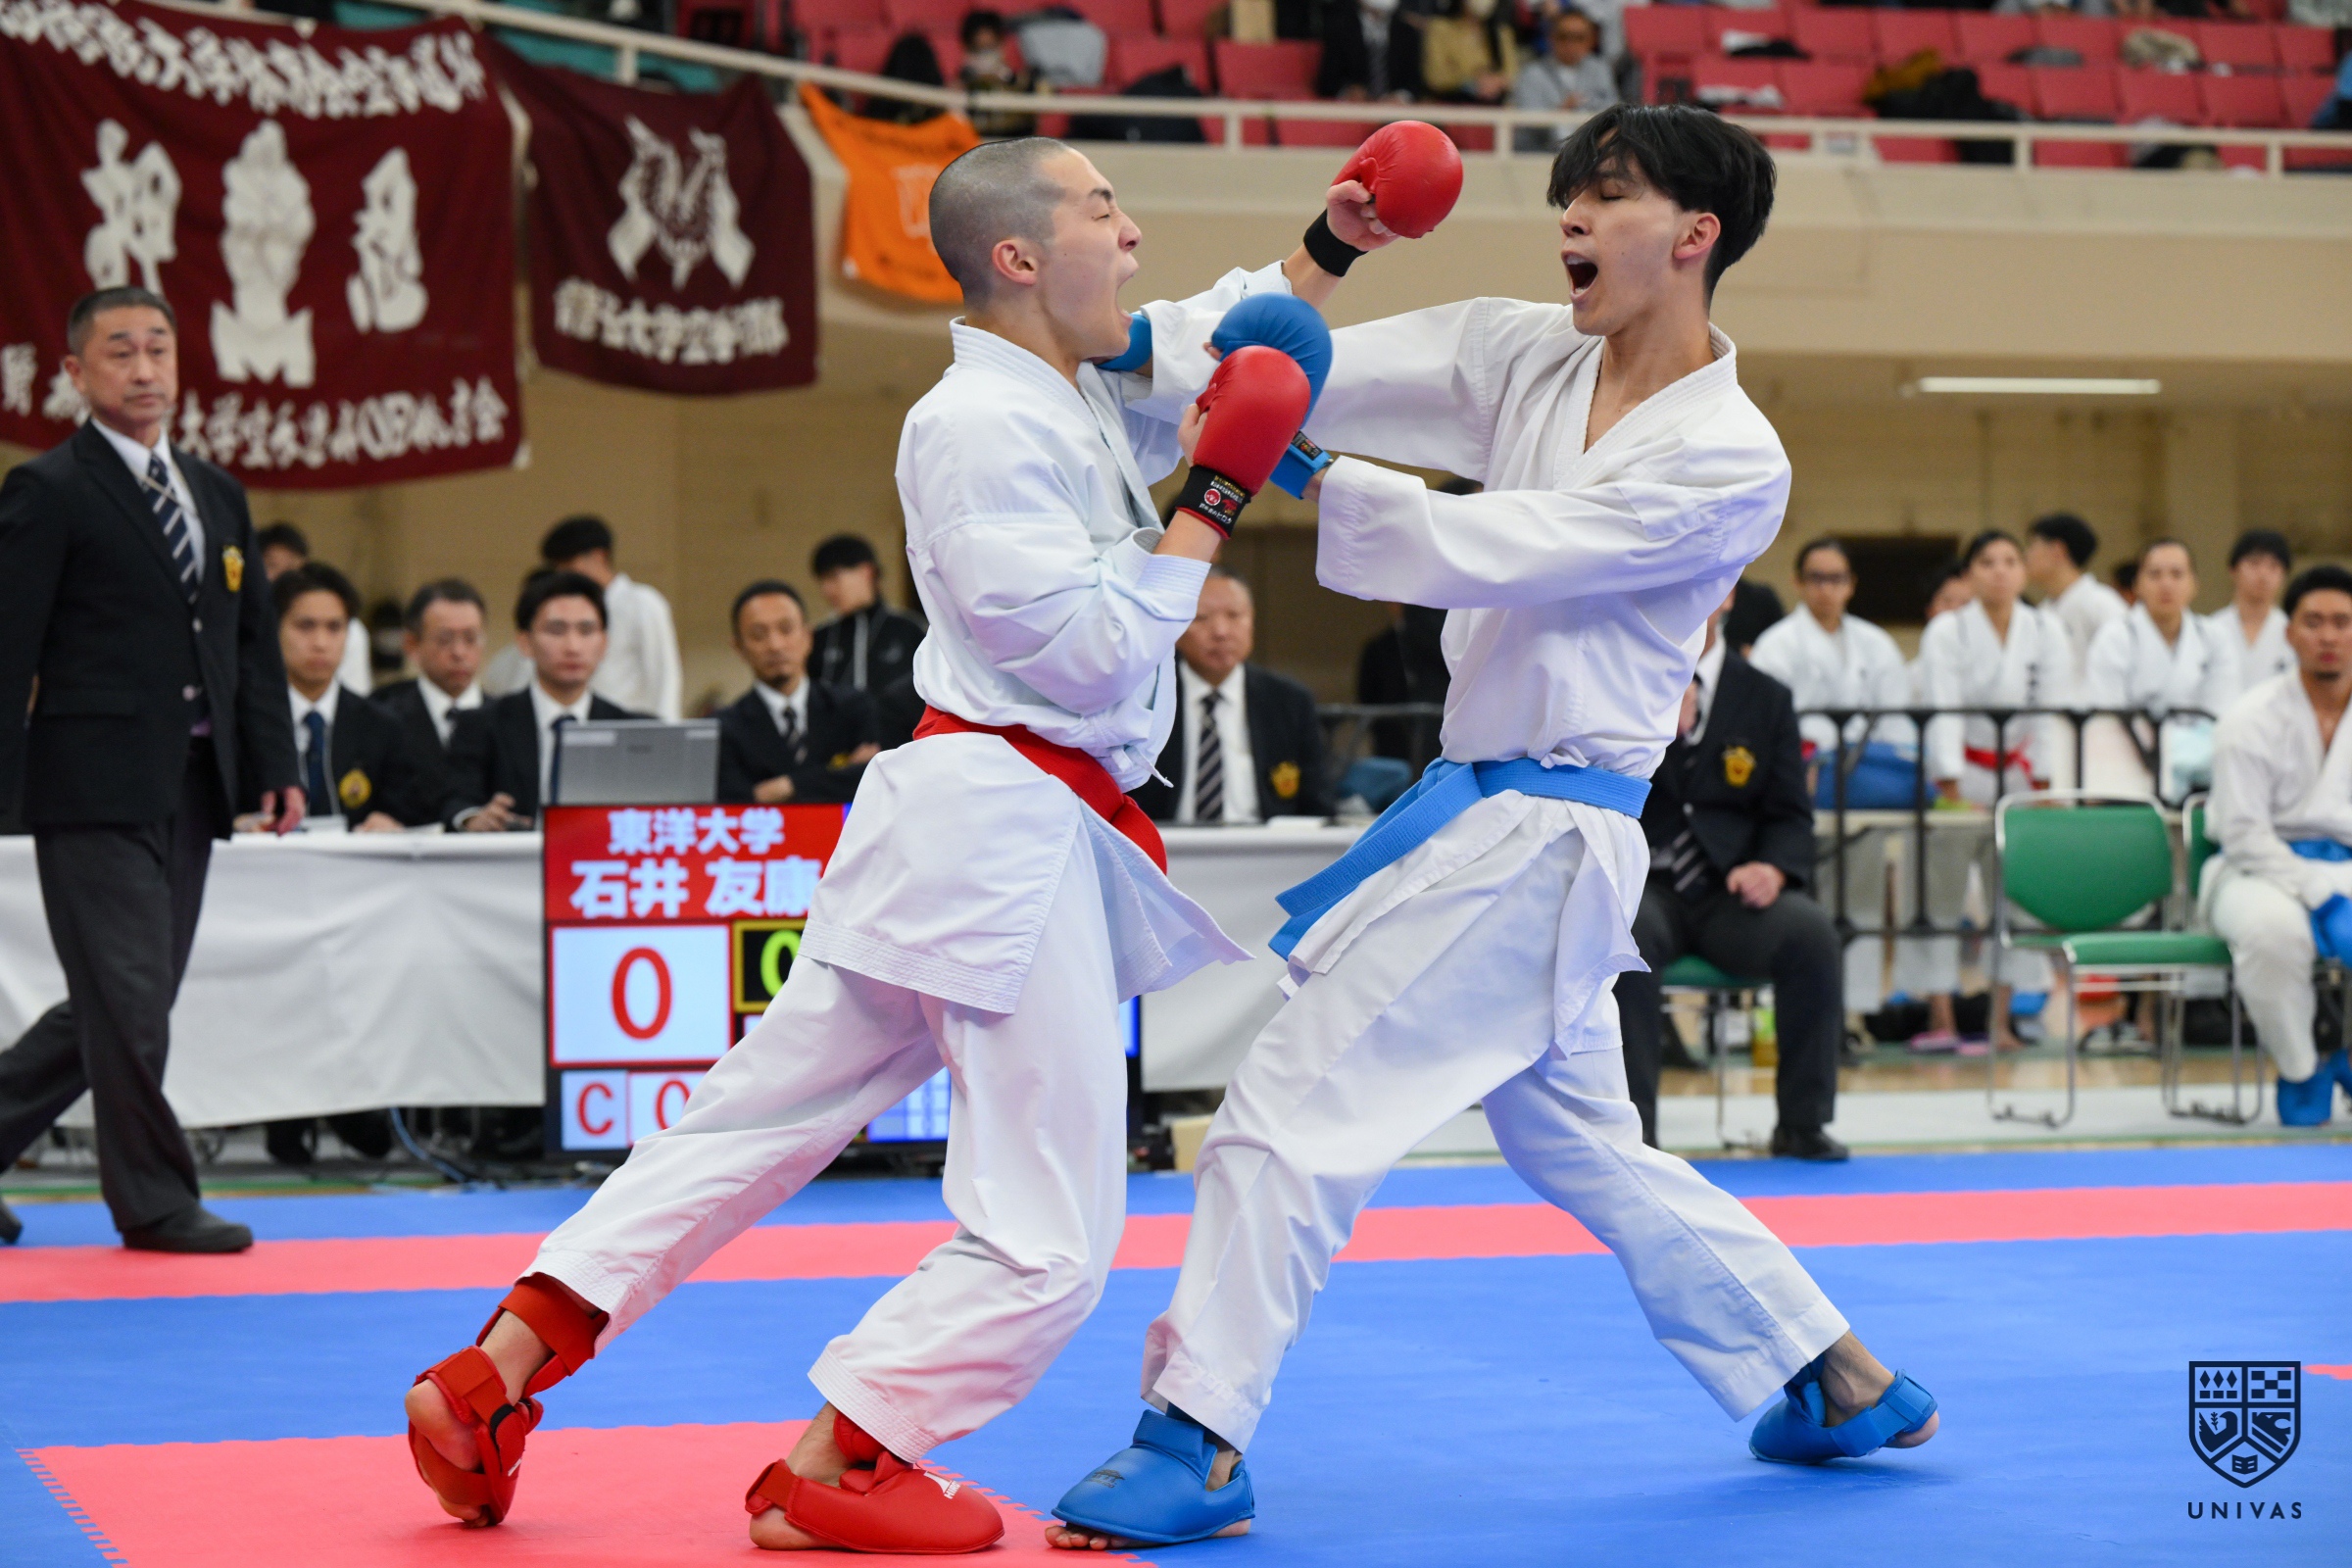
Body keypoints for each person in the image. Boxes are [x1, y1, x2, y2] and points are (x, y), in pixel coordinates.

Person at [401, 133, 1364, 1550]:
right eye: (1106, 208)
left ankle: (496, 1372)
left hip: (964, 827)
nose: (1134, 235)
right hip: (1006, 837)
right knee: (1049, 1231)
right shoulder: (977, 427)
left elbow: (1217, 342)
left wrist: (1332, 245)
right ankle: (847, 1456)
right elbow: (1094, 655)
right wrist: (1212, 503)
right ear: (1019, 255)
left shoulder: (1074, 393)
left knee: (752, 1122)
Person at [1051, 105, 1936, 1555]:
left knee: (1287, 1110)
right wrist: (1144, 343)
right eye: (1567, 195)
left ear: (1696, 234)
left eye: (1608, 195)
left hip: (1547, 832)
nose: (1570, 219)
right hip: (1498, 817)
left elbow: (1517, 550)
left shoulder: (1732, 456)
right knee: (1582, 1144)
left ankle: (1195, 1437)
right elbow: (1314, 368)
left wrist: (1297, 472)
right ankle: (1834, 1372)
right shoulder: (1528, 352)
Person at [0, 285, 304, 1254]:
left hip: (194, 780)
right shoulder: (49, 490)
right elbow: (8, 649)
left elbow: (249, 646)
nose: (144, 369)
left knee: (122, 1002)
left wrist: (276, 762)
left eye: (159, 349)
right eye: (120, 351)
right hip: (87, 783)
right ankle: (155, 1201)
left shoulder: (217, 494)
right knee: (128, 1002)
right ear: (75, 373)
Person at [1616, 596, 1846, 1159]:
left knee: (1812, 935)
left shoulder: (1766, 696)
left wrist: (1774, 867)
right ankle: (1633, 1136)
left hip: (1730, 892)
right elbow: (1597, 785)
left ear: (1728, 595)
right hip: (1649, 881)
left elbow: (1790, 814)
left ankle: (1802, 1123)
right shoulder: (1623, 682)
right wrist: (1657, 735)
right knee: (1624, 934)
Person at [1908, 529, 2071, 1054]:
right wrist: (1950, 784)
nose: (1999, 571)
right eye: (1986, 562)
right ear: (1970, 574)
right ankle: (1942, 1018)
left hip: (2021, 775)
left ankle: (2001, 1021)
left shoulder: (2045, 629)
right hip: (1963, 772)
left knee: (2015, 900)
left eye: (2009, 561)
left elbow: (2049, 711)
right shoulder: (1948, 632)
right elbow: (1941, 705)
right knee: (1940, 896)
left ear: (2023, 572)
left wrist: (2044, 783)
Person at [2204, 564, 2352, 1126]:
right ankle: (2301, 1068)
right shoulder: (2249, 718)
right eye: (2314, 622)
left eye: (2343, 622)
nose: (2329, 636)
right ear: (2289, 633)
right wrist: (2318, 893)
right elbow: (2243, 834)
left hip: (2346, 864)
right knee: (2272, 935)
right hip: (2257, 870)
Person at [443, 571, 640, 831]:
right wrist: (473, 819)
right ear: (525, 642)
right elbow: (455, 801)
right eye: (556, 630)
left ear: (604, 643)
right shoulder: (481, 725)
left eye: (586, 630)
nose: (573, 646)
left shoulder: (632, 730)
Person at [1134, 568, 1333, 824]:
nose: (1220, 631)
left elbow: (1318, 804)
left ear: (1252, 621)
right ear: (1175, 627)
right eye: (1201, 617)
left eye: (1234, 615)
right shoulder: (1146, 697)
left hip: (1265, 844)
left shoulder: (1289, 701)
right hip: (1165, 841)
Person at [1748, 536, 1914, 805]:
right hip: (1802, 771)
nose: (1826, 589)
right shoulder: (1774, 645)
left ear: (1851, 584)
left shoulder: (1877, 642)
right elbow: (1763, 724)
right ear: (1797, 582)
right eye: (1816, 578)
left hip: (1872, 769)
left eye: (1836, 579)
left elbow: (1897, 722)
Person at [269, 563, 425, 834]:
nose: (321, 643)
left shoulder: (382, 726)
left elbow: (408, 812)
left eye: (334, 627)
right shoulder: (246, 722)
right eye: (305, 626)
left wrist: (391, 825)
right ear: (275, 629)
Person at [2080, 538, 2237, 797]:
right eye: (2154, 574)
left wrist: (2181, 751)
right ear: (2138, 585)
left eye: (2177, 574)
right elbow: (2109, 715)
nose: (2166, 584)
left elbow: (2219, 714)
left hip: (2203, 774)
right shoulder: (2114, 638)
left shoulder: (2215, 638)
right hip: (2129, 768)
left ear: (2194, 584)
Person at [715, 579, 880, 807]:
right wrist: (835, 775)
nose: (775, 645)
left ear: (808, 637)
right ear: (739, 648)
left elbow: (875, 778)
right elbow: (733, 801)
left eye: (786, 629)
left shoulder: (853, 707)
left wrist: (787, 786)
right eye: (758, 634)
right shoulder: (723, 728)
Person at [539, 515, 682, 721]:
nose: (563, 573)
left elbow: (664, 674)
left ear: (599, 556)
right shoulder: (571, 609)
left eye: (569, 563)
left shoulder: (642, 602)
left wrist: (666, 730)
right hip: (583, 723)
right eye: (558, 567)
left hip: (632, 725)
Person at [374, 579, 488, 822]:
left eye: (470, 638)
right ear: (412, 645)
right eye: (445, 639)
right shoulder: (380, 714)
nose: (459, 652)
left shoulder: (507, 719)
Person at [257, 517, 372, 693]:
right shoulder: (247, 625)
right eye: (272, 565)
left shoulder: (353, 630)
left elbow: (356, 690)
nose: (320, 643)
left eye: (290, 566)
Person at [810, 533, 927, 697]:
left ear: (867, 572)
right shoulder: (820, 638)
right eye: (822, 581)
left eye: (833, 577)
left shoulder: (909, 629)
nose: (827, 590)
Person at [2025, 511, 2127, 679]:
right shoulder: (2042, 612)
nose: (2027, 555)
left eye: (2033, 546)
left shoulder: (2101, 603)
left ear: (2057, 550)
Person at [1511, 6, 1617, 151]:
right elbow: (1526, 123)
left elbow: (1612, 111)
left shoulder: (1600, 70)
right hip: (1541, 153)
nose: (1570, 44)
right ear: (1551, 38)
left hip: (1590, 153)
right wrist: (1560, 112)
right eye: (1563, 36)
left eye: (1579, 37)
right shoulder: (1531, 74)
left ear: (1591, 40)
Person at [2206, 528, 2294, 701]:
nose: (2263, 574)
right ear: (2233, 570)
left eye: (2273, 566)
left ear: (2284, 576)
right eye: (2254, 563)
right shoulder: (2212, 628)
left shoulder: (2293, 632)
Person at [1318, 0, 1426, 102]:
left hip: (1394, 109)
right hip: (1353, 108)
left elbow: (1415, 81)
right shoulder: (1340, 29)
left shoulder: (1407, 33)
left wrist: (1401, 96)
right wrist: (1348, 91)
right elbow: (1328, 79)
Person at [1422, 0, 1516, 105]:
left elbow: (1511, 74)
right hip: (1450, 105)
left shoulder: (1501, 32)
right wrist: (1472, 83)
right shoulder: (1440, 28)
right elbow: (1436, 77)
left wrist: (1495, 82)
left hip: (1492, 106)